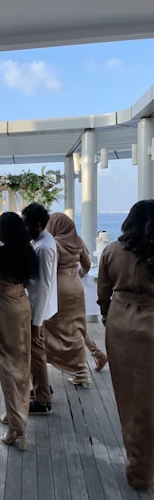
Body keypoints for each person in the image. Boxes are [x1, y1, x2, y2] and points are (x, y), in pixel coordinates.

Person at [97, 200, 154, 490]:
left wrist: (110, 317)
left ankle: (139, 469)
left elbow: (103, 294)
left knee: (131, 400)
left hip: (121, 324)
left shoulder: (111, 250)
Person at [0, 212, 38, 450]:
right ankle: (15, 413)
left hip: (3, 308)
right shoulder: (28, 252)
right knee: (22, 361)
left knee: (7, 365)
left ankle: (17, 429)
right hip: (21, 304)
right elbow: (29, 280)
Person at [45, 212, 91, 388]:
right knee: (76, 327)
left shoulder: (54, 244)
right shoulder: (78, 241)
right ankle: (81, 372)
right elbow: (87, 265)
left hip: (60, 288)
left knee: (55, 327)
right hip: (76, 286)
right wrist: (78, 275)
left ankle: (56, 362)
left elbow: (49, 270)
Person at [21, 203, 58, 415]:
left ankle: (43, 400)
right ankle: (41, 388)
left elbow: (44, 286)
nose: (24, 228)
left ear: (37, 224)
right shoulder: (43, 240)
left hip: (37, 309)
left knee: (36, 354)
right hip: (38, 307)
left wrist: (37, 322)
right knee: (36, 353)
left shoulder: (43, 247)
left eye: (26, 224)